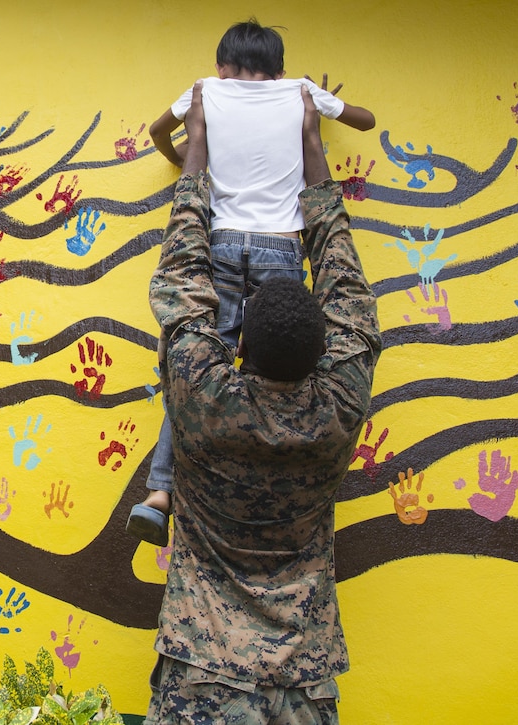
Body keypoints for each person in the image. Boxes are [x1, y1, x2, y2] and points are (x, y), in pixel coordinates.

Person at [143, 81, 381, 723]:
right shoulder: (336, 408)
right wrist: (311, 146)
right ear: (322, 351)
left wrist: (196, 148)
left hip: (202, 673)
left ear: (239, 341)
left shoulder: (205, 395)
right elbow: (350, 293)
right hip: (304, 685)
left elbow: (181, 276)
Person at [129, 19, 376, 546]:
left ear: (222, 65)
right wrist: (321, 99)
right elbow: (367, 119)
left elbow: (155, 133)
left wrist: (187, 161)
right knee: (276, 370)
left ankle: (160, 491)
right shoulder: (299, 91)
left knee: (197, 362)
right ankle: (276, 487)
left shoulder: (204, 90)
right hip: (281, 246)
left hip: (218, 242)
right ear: (280, 69)